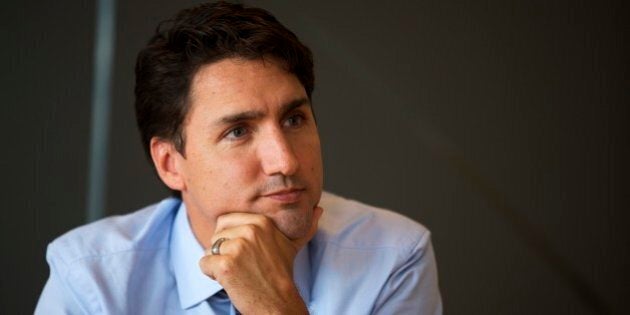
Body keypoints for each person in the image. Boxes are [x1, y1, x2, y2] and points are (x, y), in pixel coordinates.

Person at [35, 2, 442, 314]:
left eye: (294, 118)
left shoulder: (393, 255)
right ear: (170, 163)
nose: (284, 162)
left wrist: (275, 305)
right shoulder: (91, 278)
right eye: (238, 131)